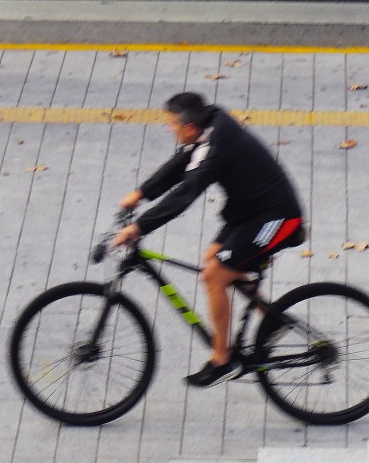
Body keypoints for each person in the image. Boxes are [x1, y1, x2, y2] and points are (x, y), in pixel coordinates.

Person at [111, 92, 306, 387]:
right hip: (249, 213)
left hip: (278, 218)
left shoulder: (216, 147)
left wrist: (138, 228)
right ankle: (273, 318)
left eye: (171, 125)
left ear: (189, 127)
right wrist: (141, 194)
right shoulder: (210, 123)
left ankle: (221, 359)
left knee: (215, 276)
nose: (169, 129)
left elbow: (185, 193)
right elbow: (180, 163)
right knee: (213, 260)